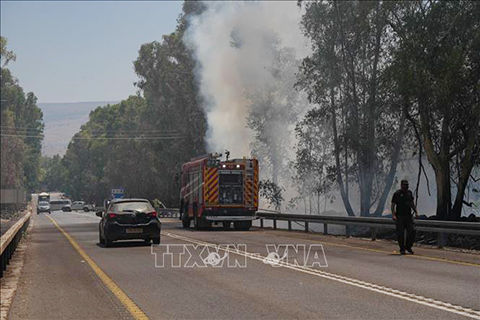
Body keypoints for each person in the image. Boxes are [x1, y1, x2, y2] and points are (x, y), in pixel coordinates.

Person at [391, 179, 419, 254]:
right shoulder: (397, 194)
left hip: (408, 216)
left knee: (412, 231)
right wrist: (394, 215)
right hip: (400, 216)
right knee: (401, 234)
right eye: (404, 185)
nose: (406, 186)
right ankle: (402, 249)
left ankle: (408, 247)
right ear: (401, 185)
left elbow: (412, 204)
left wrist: (416, 212)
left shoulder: (409, 193)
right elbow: (393, 205)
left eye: (407, 185)